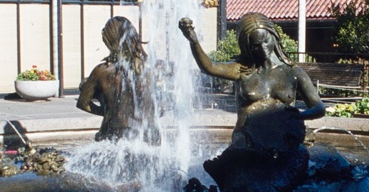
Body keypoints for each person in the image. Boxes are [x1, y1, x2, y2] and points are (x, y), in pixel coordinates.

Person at [178, 12, 325, 148]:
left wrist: (297, 116)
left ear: (274, 36)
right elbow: (209, 67)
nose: (262, 48)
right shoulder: (241, 69)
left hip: (284, 141)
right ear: (246, 47)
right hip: (247, 142)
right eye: (255, 45)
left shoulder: (293, 72)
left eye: (266, 41)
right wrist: (194, 41)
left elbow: (319, 108)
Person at [76, 16, 160, 144]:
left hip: (114, 136)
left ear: (109, 40)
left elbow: (83, 103)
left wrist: (108, 113)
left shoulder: (101, 71)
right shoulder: (151, 66)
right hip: (148, 136)